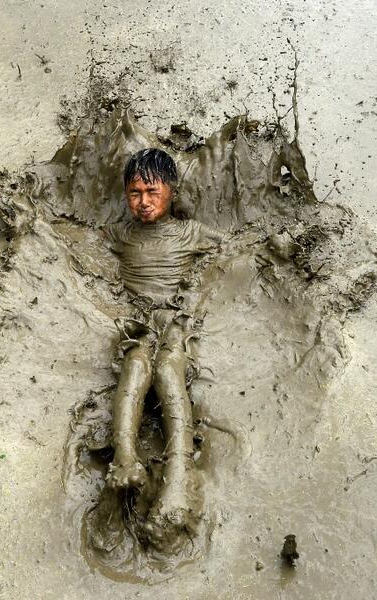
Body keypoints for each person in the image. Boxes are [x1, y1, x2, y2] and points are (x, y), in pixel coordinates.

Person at [103, 148, 224, 540]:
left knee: (170, 368)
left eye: (152, 192)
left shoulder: (192, 233)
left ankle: (177, 477)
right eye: (134, 193)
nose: (143, 202)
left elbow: (230, 250)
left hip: (176, 318)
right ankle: (124, 459)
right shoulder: (119, 235)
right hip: (139, 320)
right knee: (136, 363)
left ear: (172, 191)